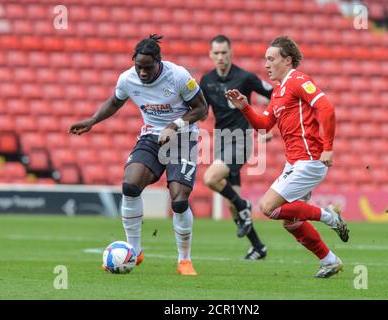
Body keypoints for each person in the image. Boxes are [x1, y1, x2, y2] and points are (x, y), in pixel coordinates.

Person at [68, 34, 208, 276]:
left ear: (159, 62)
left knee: (179, 200)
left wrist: (173, 125)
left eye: (148, 68)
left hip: (183, 138)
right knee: (130, 185)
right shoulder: (127, 79)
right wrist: (92, 121)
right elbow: (114, 102)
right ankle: (134, 250)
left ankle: (184, 260)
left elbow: (202, 109)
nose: (143, 73)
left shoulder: (178, 76)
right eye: (138, 67)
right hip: (151, 137)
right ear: (133, 62)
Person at [225, 36, 349, 278]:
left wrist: (328, 148)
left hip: (310, 159)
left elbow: (327, 108)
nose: (266, 64)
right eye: (265, 59)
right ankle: (330, 261)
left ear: (287, 60)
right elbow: (263, 126)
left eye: (271, 59)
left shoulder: (298, 80)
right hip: (294, 162)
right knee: (290, 221)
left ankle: (328, 216)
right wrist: (245, 107)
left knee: (268, 207)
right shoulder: (279, 92)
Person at [200, 35, 273, 260]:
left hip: (241, 139)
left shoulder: (245, 77)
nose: (221, 57)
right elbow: (202, 111)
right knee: (232, 204)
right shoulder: (207, 81)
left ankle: (244, 206)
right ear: (211, 55)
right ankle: (258, 247)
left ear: (231, 53)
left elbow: (276, 95)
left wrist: (268, 125)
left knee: (211, 178)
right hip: (221, 140)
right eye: (217, 53)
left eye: (224, 52)